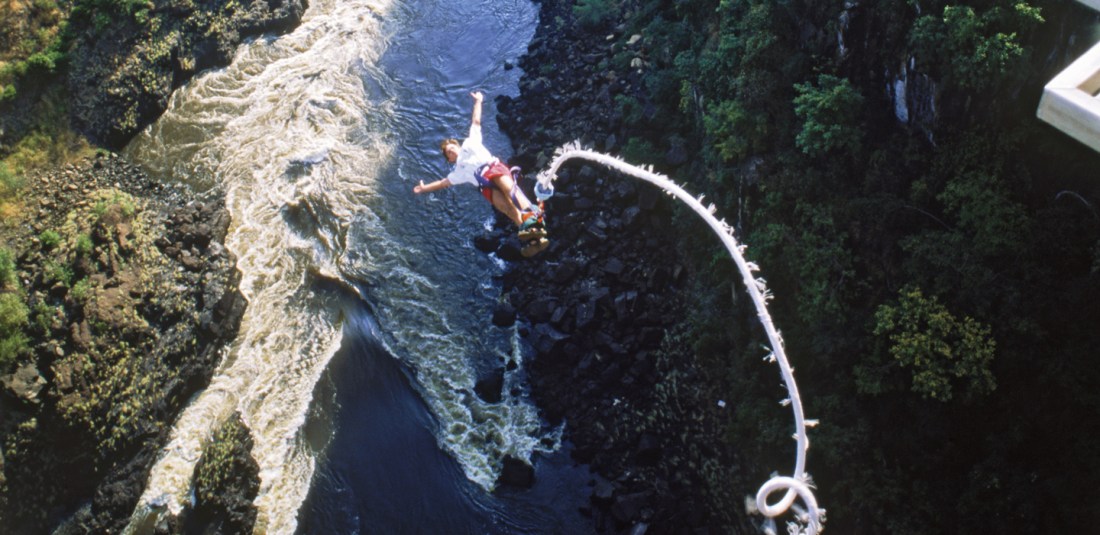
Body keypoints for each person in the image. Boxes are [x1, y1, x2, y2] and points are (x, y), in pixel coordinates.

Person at [413, 91, 548, 256]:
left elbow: (476, 121)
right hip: (484, 186)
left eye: (452, 147)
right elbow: (443, 183)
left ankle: (534, 219)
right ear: (449, 159)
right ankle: (534, 240)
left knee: (510, 190)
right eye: (448, 152)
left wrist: (478, 101)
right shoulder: (458, 172)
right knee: (507, 209)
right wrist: (424, 188)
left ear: (458, 145)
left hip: (492, 168)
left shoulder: (471, 142)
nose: (452, 151)